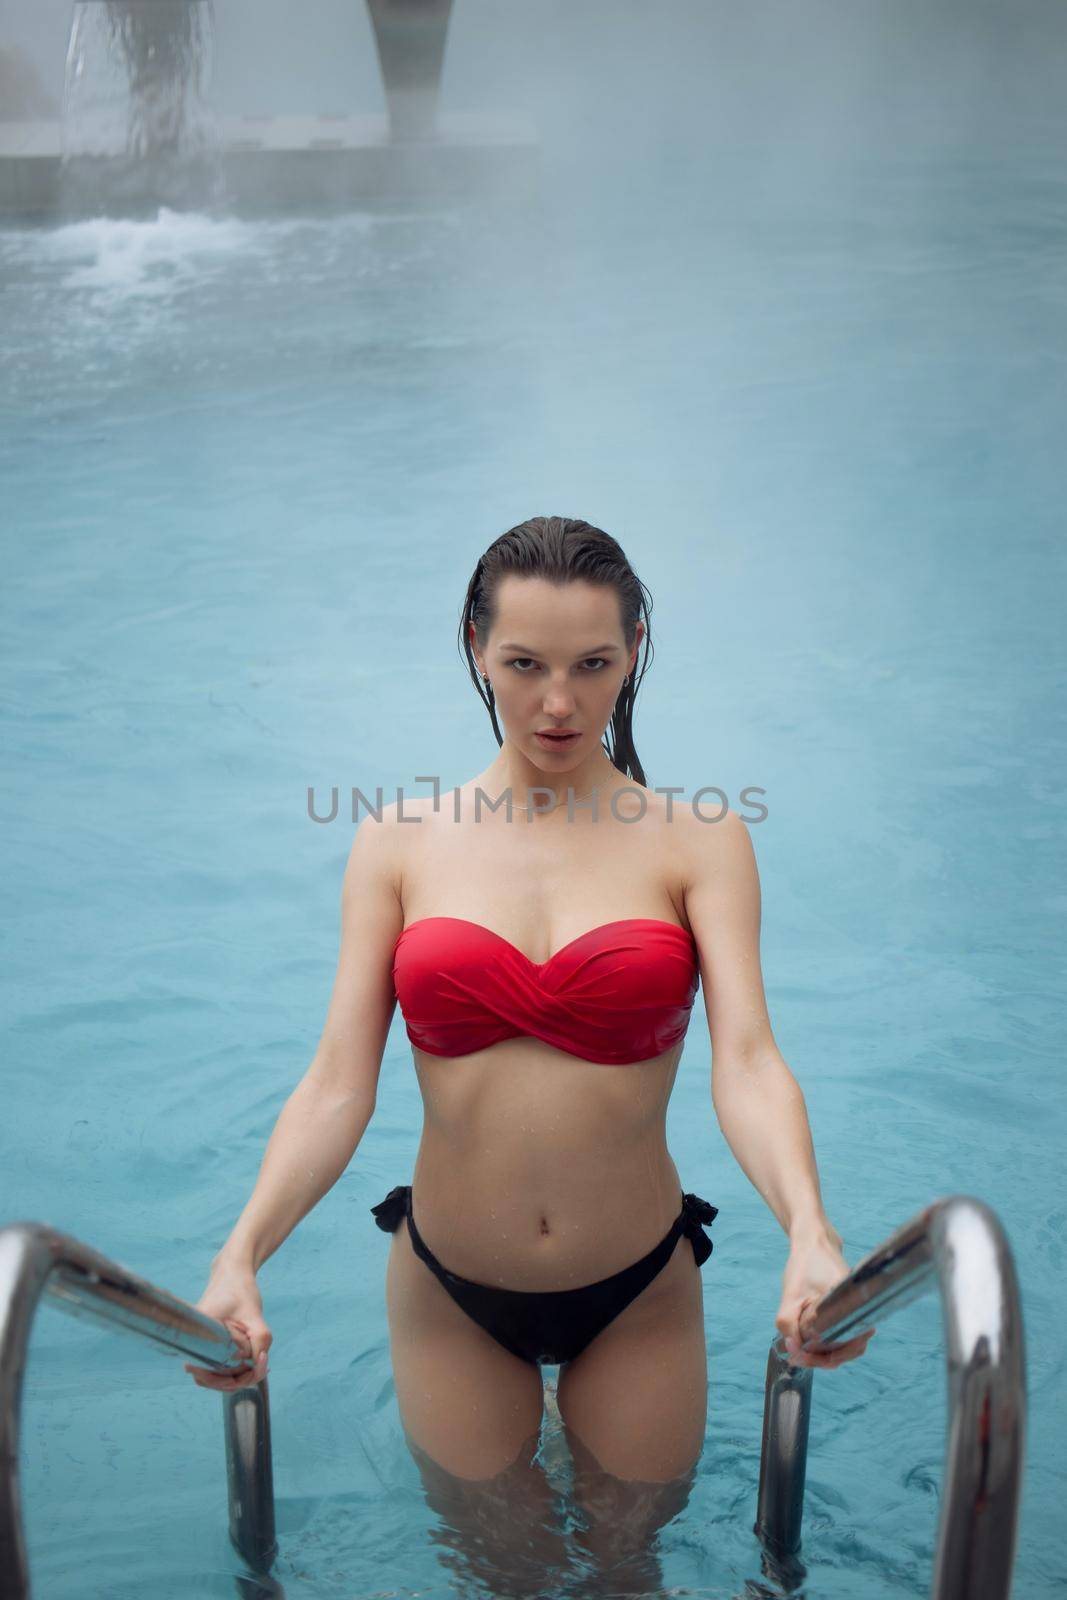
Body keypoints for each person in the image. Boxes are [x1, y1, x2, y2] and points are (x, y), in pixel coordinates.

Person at [184, 515, 873, 1520]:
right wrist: (238, 1255)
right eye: (523, 663)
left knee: (629, 1566)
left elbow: (749, 1063)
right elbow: (337, 1081)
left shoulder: (697, 842)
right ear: (476, 651)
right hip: (451, 1289)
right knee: (503, 1572)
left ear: (633, 651)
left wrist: (808, 1229)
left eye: (592, 663)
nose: (558, 702)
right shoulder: (398, 843)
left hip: (634, 1286)